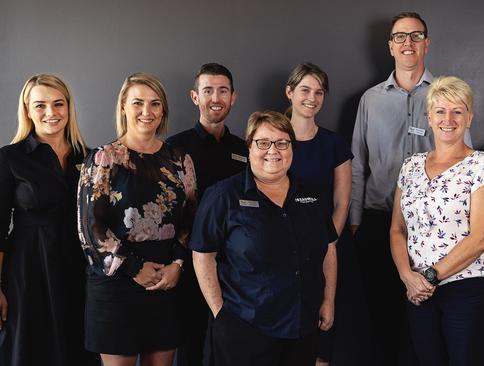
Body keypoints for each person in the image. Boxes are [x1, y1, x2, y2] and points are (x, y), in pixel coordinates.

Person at [350, 11, 472, 365]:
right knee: (381, 313)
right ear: (390, 46)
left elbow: (465, 162)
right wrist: (355, 219)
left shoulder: (446, 98)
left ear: (427, 44)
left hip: (431, 230)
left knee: (424, 316)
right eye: (400, 37)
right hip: (377, 222)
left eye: (415, 36)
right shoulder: (370, 100)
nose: (408, 43)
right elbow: (357, 163)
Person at [191, 111, 338, 366]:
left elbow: (329, 249)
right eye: (263, 142)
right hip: (246, 329)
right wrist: (220, 312)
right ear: (249, 147)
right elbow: (203, 255)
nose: (274, 150)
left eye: (282, 143)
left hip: (301, 326)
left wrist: (328, 300)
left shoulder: (311, 196)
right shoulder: (223, 196)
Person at [77, 72, 197, 366]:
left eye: (155, 104)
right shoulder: (104, 159)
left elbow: (191, 220)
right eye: (138, 103)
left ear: (163, 110)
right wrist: (133, 268)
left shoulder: (180, 160)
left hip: (166, 280)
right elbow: (90, 229)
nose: (147, 112)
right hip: (117, 282)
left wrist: (177, 265)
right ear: (123, 107)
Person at [390, 76, 484, 365]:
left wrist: (429, 278)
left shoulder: (482, 166)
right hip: (417, 289)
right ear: (429, 118)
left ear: (469, 118)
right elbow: (397, 228)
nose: (448, 119)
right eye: (440, 111)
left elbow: (480, 238)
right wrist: (407, 277)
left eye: (457, 111)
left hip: (468, 289)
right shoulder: (411, 166)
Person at [0, 74, 99, 366]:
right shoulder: (10, 158)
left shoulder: (90, 157)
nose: (51, 113)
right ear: (28, 110)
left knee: (76, 347)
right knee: (30, 349)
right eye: (40, 105)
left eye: (58, 104)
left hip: (79, 268)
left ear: (68, 108)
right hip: (28, 269)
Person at [166, 62, 247, 366]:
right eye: (208, 90)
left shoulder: (246, 149)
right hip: (189, 263)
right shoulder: (174, 147)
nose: (216, 97)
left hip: (236, 266)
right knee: (191, 346)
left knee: (232, 345)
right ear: (194, 97)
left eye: (222, 91)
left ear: (233, 97)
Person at [285, 62, 352, 366]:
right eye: (305, 90)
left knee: (322, 335)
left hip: (325, 251)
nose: (311, 98)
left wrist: (330, 243)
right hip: (282, 253)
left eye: (319, 92)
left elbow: (341, 201)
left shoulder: (334, 144)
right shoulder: (274, 140)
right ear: (289, 92)